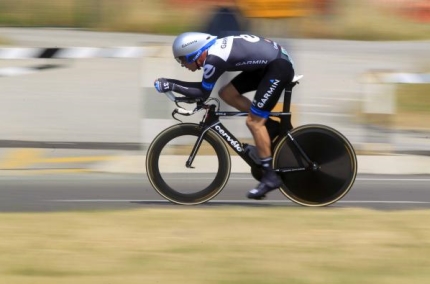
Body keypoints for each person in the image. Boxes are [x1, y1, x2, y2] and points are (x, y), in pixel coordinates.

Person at [154, 32, 295, 199]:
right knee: (227, 93)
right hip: (270, 63)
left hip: (277, 67)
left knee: (254, 123)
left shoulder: (214, 60)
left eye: (182, 60)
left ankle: (270, 176)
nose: (183, 65)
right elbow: (203, 92)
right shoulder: (213, 53)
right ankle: (270, 127)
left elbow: (201, 93)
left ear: (194, 53)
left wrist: (170, 84)